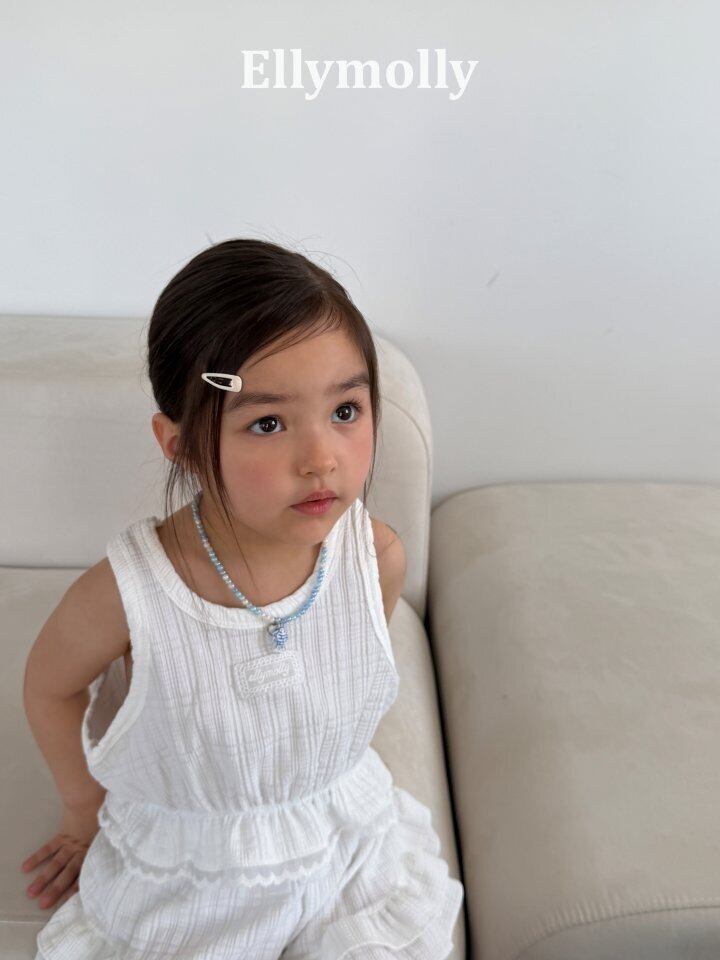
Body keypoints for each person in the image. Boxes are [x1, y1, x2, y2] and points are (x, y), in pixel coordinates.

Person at [22, 238, 465, 959]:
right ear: (183, 446)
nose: (321, 458)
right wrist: (81, 809)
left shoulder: (375, 560)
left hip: (342, 847)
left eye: (346, 410)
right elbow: (49, 686)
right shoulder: (131, 594)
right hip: (190, 876)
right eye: (267, 423)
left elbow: (335, 682)